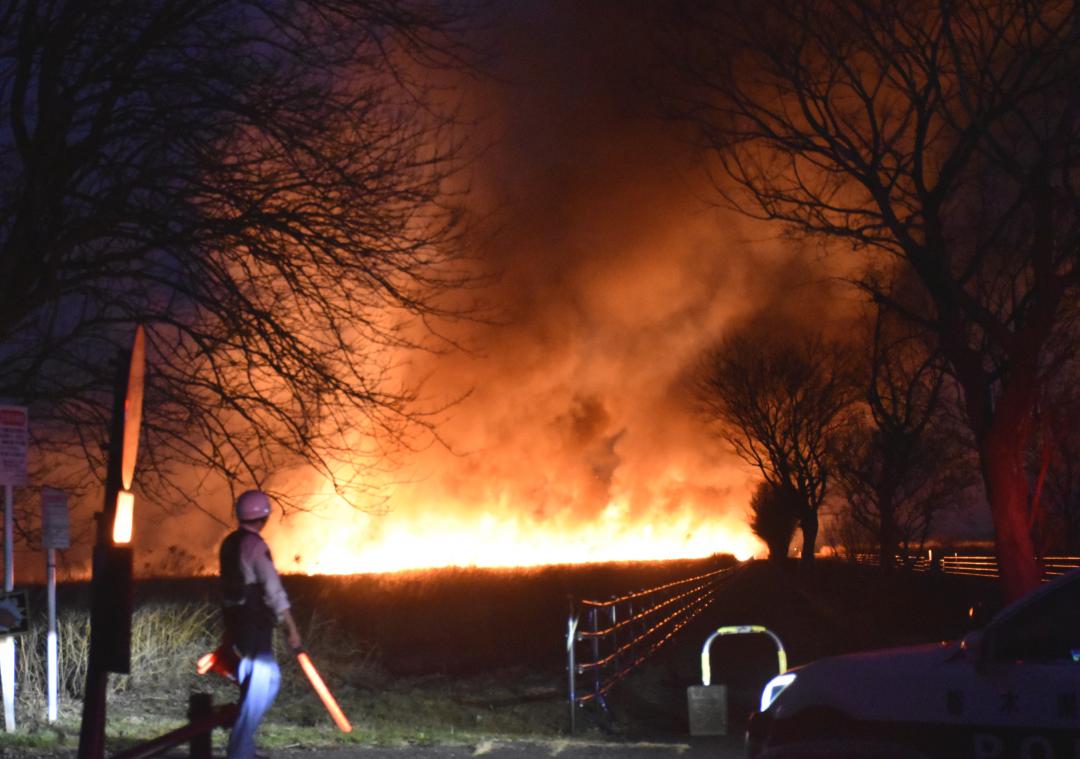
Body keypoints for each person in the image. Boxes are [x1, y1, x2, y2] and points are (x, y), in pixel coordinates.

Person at [219, 490, 302, 759]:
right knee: (261, 684)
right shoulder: (255, 546)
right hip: (254, 626)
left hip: (238, 624)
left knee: (268, 680)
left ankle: (244, 748)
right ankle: (239, 752)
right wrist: (292, 627)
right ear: (264, 517)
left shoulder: (230, 543)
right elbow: (272, 588)